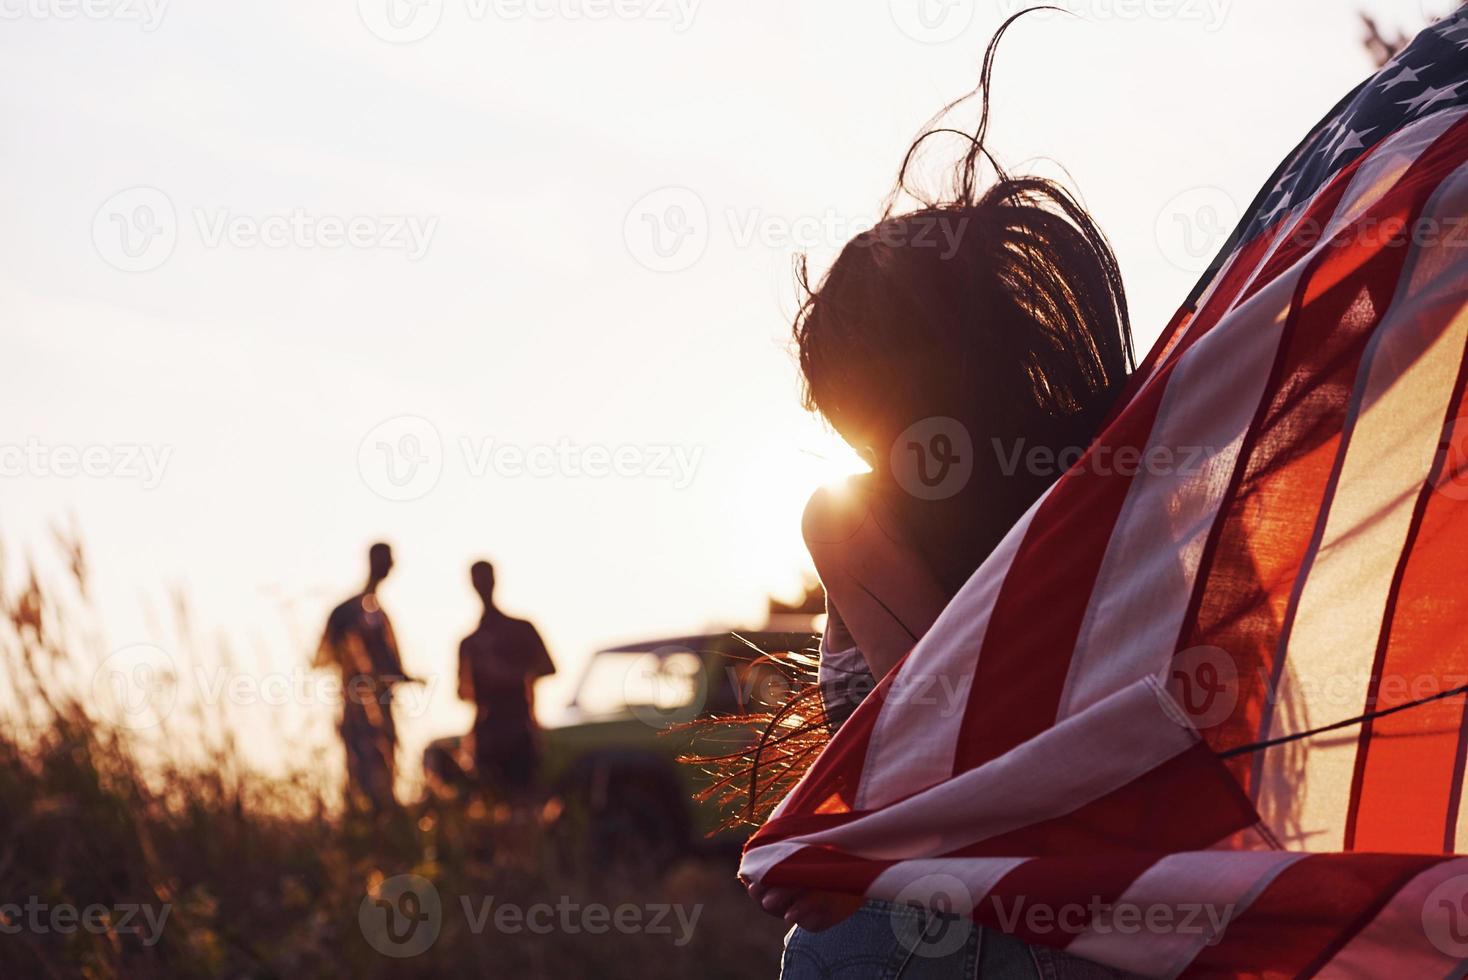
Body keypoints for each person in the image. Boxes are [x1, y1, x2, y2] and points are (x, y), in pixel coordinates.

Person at [743, 15, 1140, 979]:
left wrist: (856, 860)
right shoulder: (1099, 489)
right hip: (1119, 908)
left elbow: (951, 742)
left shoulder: (846, 516)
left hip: (945, 923)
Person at [316, 542, 417, 812]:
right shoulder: (352, 611)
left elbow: (390, 668)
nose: (390, 565)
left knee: (384, 771)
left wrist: (403, 678)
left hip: (381, 708)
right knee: (363, 773)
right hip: (359, 709)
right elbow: (326, 657)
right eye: (386, 559)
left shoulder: (377, 612)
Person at [457, 560, 556, 799]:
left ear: (494, 580)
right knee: (492, 801)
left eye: (485, 579)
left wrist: (509, 675)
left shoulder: (521, 629)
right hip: (486, 734)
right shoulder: (470, 642)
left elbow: (548, 667)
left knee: (523, 798)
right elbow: (461, 692)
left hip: (519, 728)